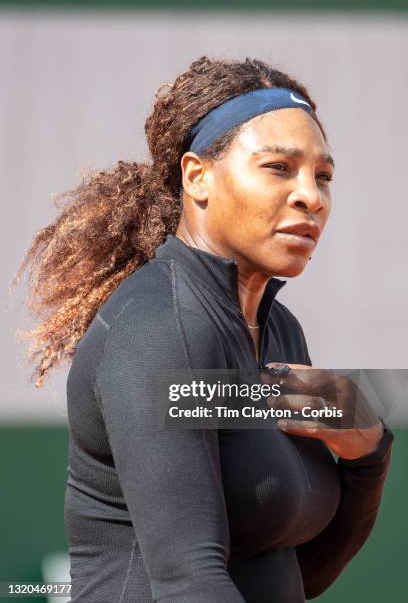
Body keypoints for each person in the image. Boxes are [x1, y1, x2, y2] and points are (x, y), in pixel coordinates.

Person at [14, 56, 394, 602]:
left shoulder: (279, 328)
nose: (311, 195)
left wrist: (370, 454)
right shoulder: (158, 328)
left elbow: (296, 574)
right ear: (198, 177)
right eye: (279, 168)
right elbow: (188, 581)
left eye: (324, 175)